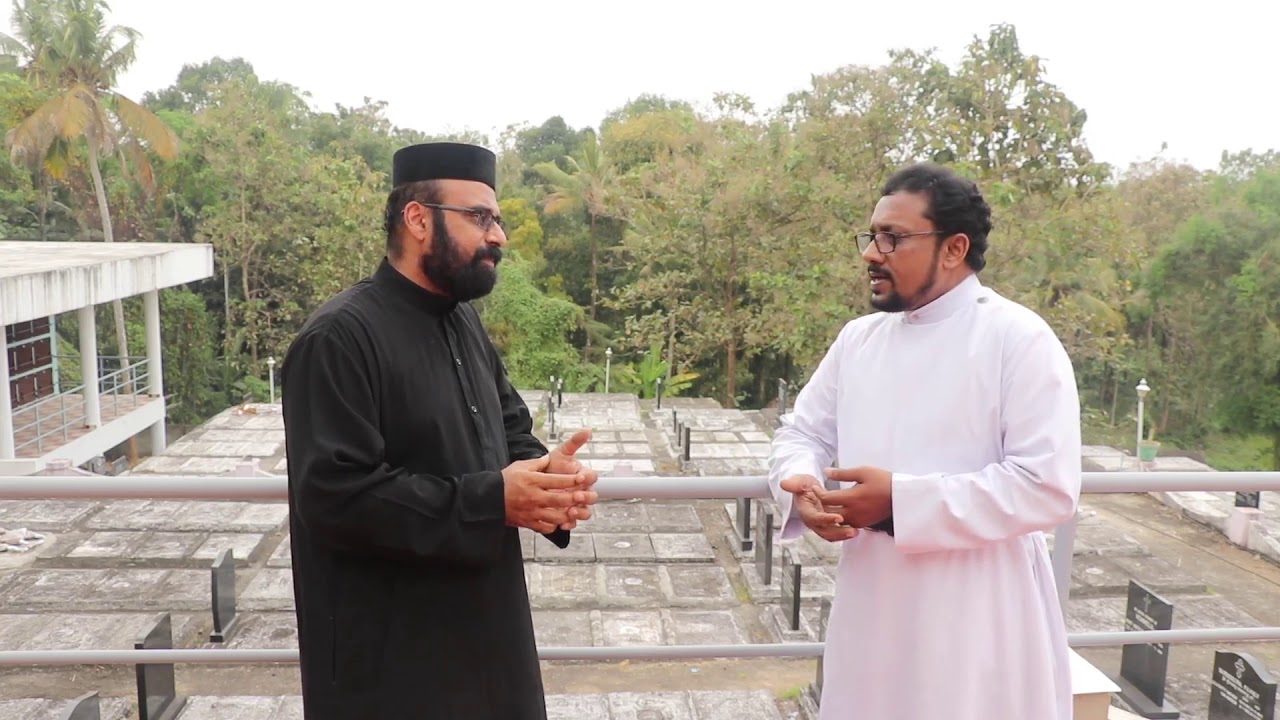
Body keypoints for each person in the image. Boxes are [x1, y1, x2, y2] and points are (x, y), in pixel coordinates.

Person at [280, 141, 599, 720]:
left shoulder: (464, 322)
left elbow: (510, 431)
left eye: (496, 219)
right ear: (418, 219)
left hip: (490, 645)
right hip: (391, 668)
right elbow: (334, 496)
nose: (498, 235)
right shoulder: (338, 340)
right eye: (479, 217)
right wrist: (494, 499)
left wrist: (550, 482)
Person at [769, 162, 1081, 720]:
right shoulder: (859, 340)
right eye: (872, 235)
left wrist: (900, 503)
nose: (872, 252)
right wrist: (802, 487)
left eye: (893, 238)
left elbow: (1047, 487)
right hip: (872, 603)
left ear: (953, 248)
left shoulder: (1018, 338)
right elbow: (802, 431)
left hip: (979, 610)